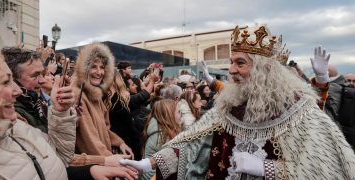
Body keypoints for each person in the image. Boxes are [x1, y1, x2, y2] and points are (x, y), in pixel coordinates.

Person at [120, 25, 355, 179]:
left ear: (263, 69)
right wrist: (151, 162)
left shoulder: (297, 108)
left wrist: (267, 169)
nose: (231, 70)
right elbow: (192, 143)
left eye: (240, 63)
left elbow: (323, 168)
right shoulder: (228, 107)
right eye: (231, 62)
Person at [0, 49, 138, 180]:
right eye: (6, 81)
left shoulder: (32, 108)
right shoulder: (16, 116)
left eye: (102, 67)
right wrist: (106, 160)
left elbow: (56, 155)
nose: (43, 80)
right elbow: (85, 141)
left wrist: (64, 114)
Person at [72, 42, 133, 161]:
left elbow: (104, 129)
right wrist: (112, 160)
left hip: (102, 161)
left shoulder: (95, 94)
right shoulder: (78, 94)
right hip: (91, 166)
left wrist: (119, 143)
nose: (99, 72)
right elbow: (89, 139)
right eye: (93, 66)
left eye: (102, 67)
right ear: (83, 69)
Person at [2, 47, 49, 133]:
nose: (43, 80)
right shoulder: (13, 112)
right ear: (13, 79)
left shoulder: (34, 99)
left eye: (42, 74)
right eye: (35, 75)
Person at [140, 99, 181, 180]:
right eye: (179, 112)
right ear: (169, 115)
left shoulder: (162, 130)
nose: (181, 115)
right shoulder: (162, 136)